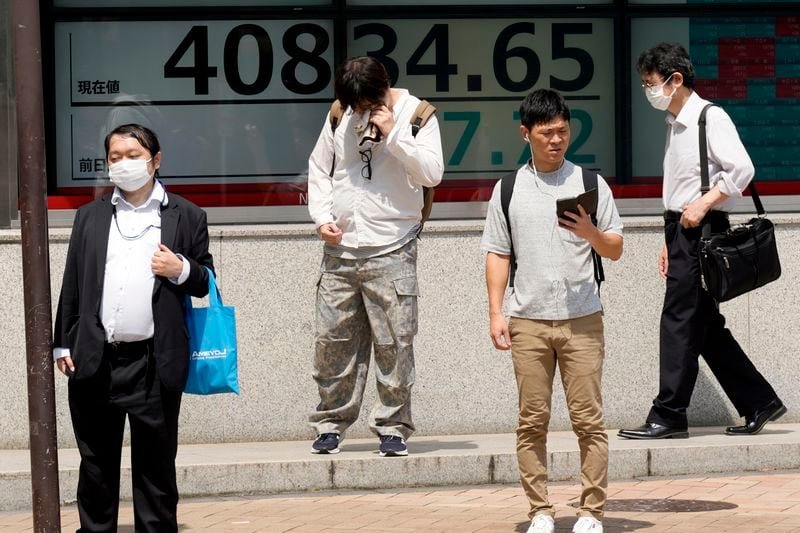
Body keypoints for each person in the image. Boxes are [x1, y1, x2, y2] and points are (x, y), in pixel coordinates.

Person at [618, 43, 785, 441]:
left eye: (651, 84)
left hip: (702, 230)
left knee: (678, 321)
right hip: (683, 230)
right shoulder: (675, 123)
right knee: (704, 325)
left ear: (676, 80)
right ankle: (760, 401)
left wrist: (703, 204)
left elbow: (742, 168)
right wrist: (669, 235)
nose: (648, 92)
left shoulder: (710, 117)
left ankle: (669, 415)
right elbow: (679, 187)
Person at [53, 123, 214, 532]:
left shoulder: (187, 215)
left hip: (154, 362)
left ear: (155, 161)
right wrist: (61, 343)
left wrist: (181, 269)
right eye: (114, 157)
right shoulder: (90, 216)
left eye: (133, 155)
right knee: (95, 465)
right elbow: (73, 282)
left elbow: (205, 281)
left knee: (156, 466)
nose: (123, 164)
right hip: (96, 357)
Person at [482, 89, 623, 533]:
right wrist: (495, 312)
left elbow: (615, 248)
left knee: (589, 420)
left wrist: (590, 232)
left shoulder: (591, 184)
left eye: (563, 130)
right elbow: (497, 253)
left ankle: (591, 512)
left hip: (583, 317)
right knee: (532, 421)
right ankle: (540, 510)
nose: (556, 140)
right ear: (526, 133)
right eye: (546, 133)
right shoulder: (507, 190)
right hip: (528, 320)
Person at [306, 56, 443, 457]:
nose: (360, 113)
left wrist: (394, 135)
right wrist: (321, 218)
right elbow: (320, 169)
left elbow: (432, 173)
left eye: (366, 105)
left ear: (384, 90)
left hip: (393, 245)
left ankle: (392, 427)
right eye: (354, 107)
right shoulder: (339, 114)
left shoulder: (418, 115)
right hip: (341, 247)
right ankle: (330, 423)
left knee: (395, 343)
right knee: (332, 341)